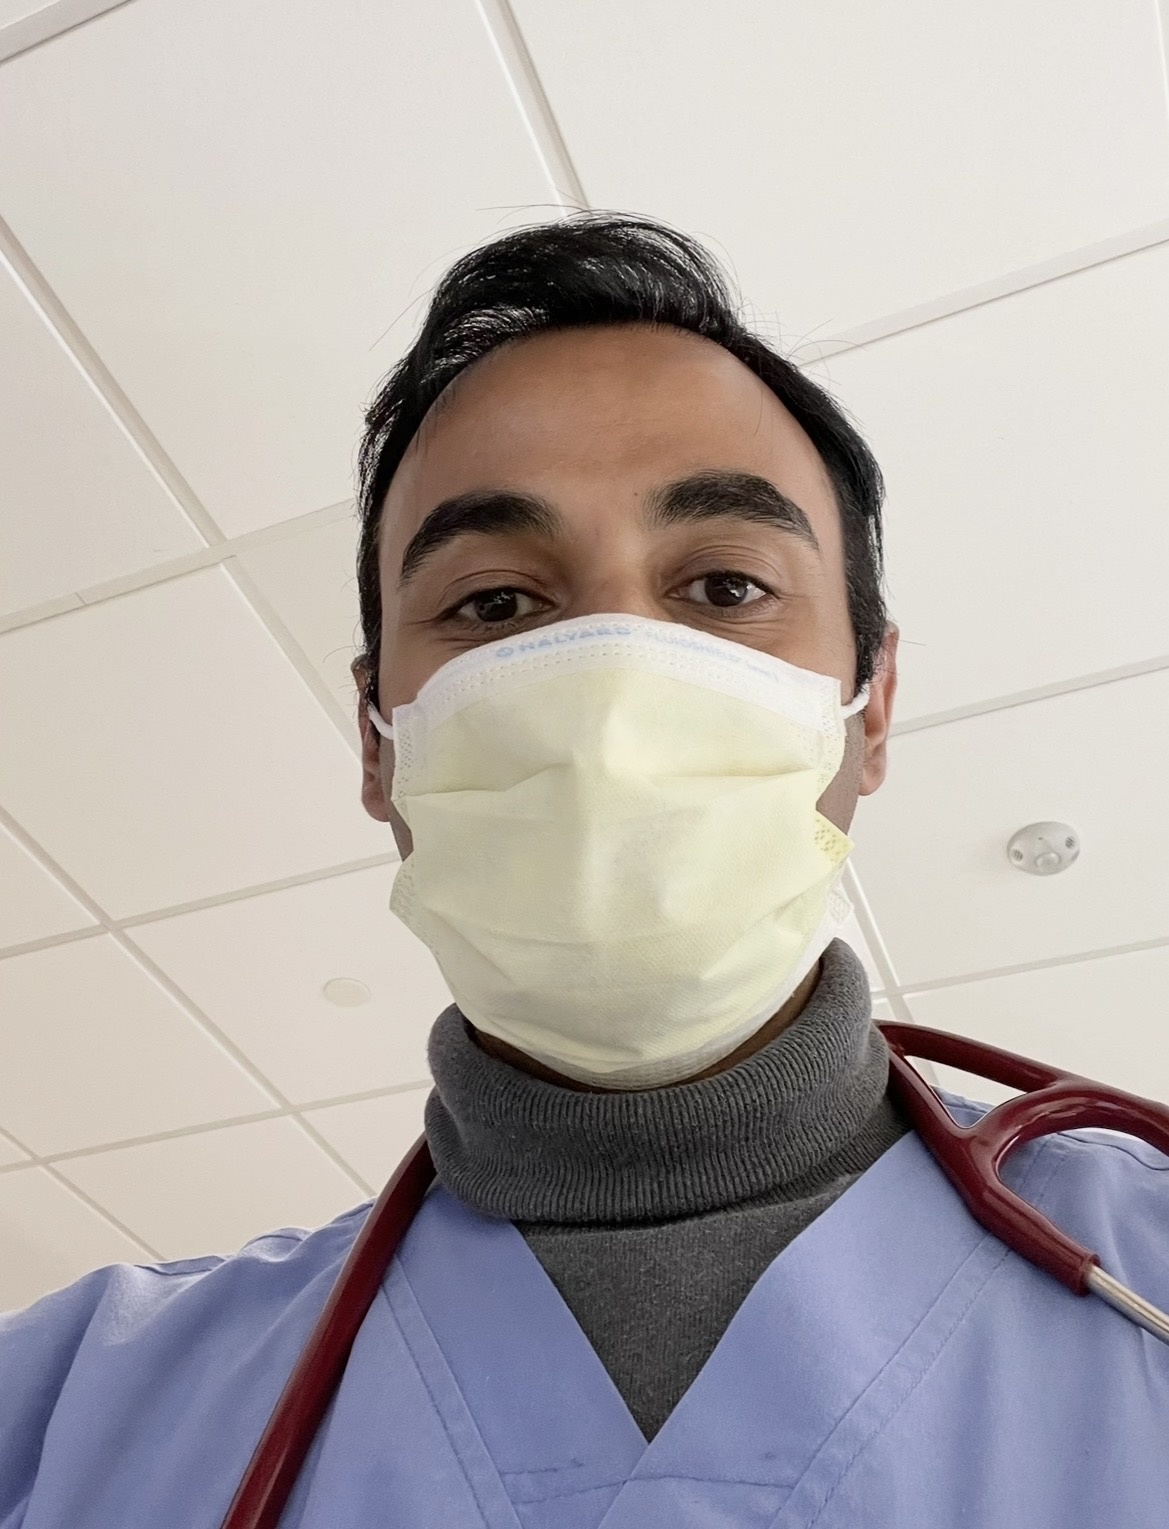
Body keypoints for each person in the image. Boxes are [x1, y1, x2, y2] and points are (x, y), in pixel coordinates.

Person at [2, 214, 1167, 1528]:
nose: (612, 697)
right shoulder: (65, 1420)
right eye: (496, 605)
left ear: (872, 705)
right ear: (378, 740)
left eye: (724, 588)